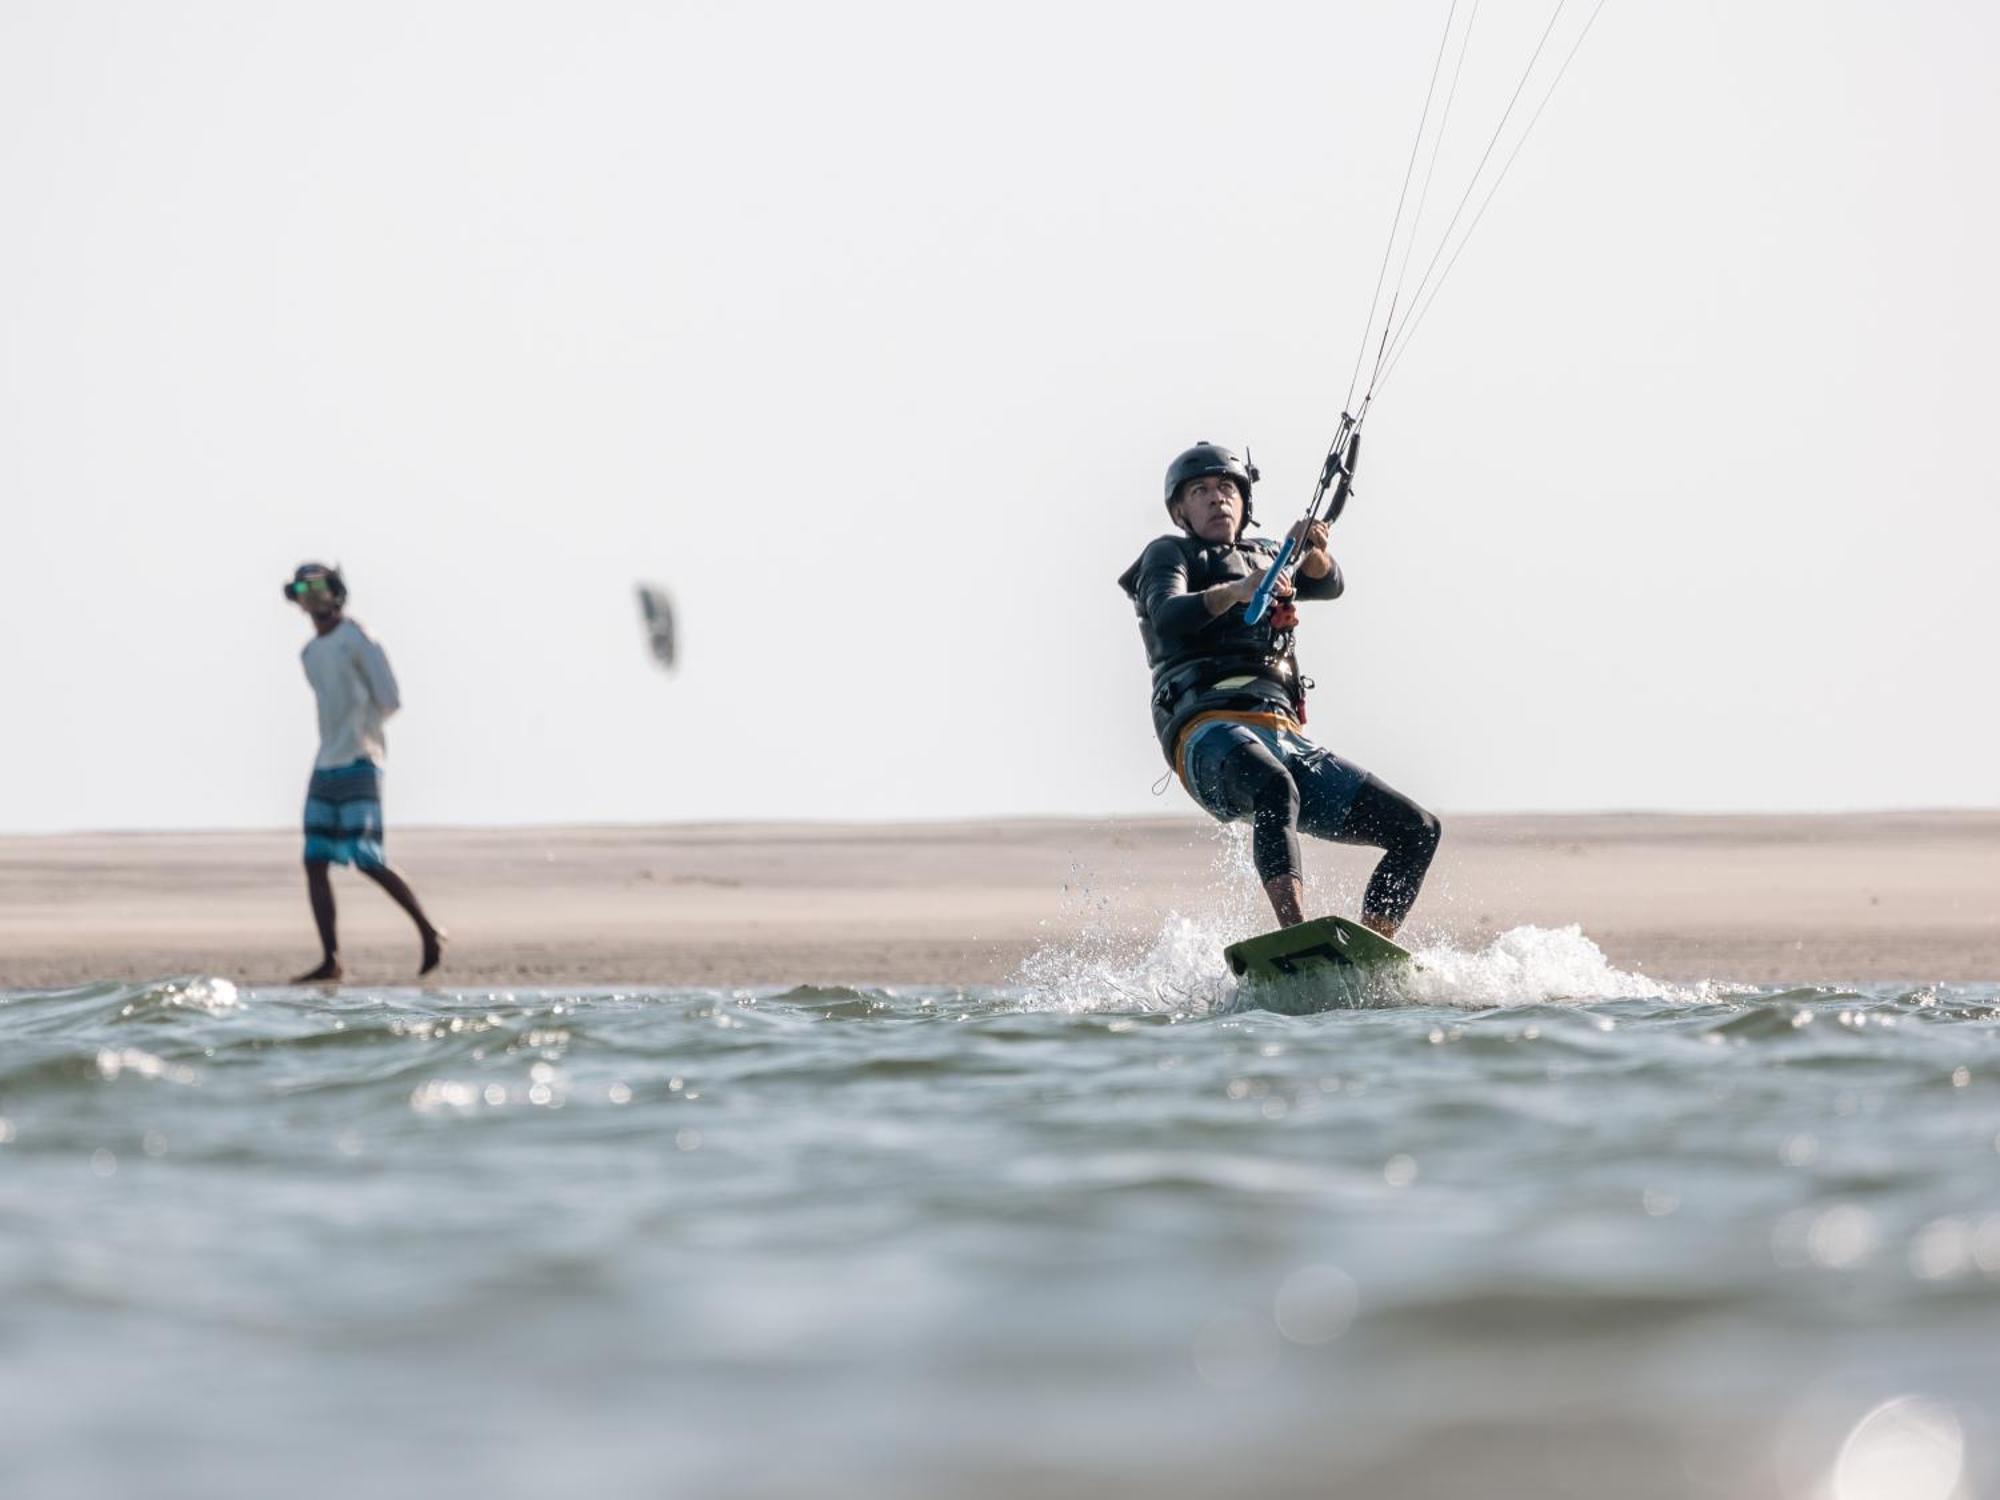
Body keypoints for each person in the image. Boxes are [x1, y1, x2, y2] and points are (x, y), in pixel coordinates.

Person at [1117, 443, 1440, 937]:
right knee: (1274, 787)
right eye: (1200, 491)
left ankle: (1369, 947)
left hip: (1283, 734)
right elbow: (1167, 613)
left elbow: (1329, 583)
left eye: (1227, 488)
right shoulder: (1171, 554)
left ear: (1244, 502)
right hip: (1206, 731)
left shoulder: (1269, 554)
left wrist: (1312, 551)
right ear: (1180, 509)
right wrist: (1238, 591)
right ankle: (1296, 935)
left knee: (1418, 829)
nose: (1216, 499)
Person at [283, 563, 445, 981]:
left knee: (367, 858)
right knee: (315, 859)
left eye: (318, 588)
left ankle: (427, 930)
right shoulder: (309, 653)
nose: (312, 597)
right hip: (326, 762)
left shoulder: (358, 639)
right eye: (304, 590)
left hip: (360, 759)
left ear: (335, 592)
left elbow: (389, 698)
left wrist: (363, 731)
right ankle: (330, 957)